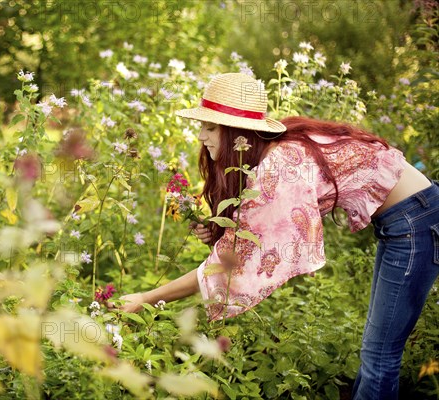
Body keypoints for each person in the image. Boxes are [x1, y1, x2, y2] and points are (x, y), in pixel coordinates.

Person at [108, 73, 439, 399]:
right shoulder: (270, 152)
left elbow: (227, 266)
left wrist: (145, 298)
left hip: (417, 221)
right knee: (377, 349)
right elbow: (246, 236)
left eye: (210, 127)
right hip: (410, 217)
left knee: (380, 355)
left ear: (236, 131)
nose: (201, 136)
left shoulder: (279, 169)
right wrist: (219, 229)